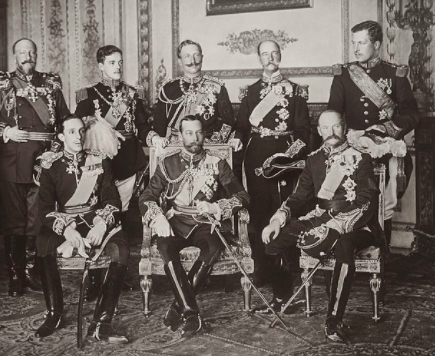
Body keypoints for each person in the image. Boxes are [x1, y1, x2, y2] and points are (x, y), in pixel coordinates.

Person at [259, 110, 381, 342]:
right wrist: (277, 219)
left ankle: (333, 321)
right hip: (321, 218)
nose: (332, 133)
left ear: (344, 127)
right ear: (319, 131)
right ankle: (283, 297)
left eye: (336, 127)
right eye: (326, 128)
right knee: (273, 240)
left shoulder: (361, 158)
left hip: (358, 224)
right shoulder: (313, 160)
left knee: (344, 245)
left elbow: (367, 201)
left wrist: (336, 226)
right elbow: (298, 198)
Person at [139, 115, 250, 336]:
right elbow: (146, 197)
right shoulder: (167, 163)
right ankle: (191, 314)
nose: (195, 138)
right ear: (180, 135)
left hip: (204, 222)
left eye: (199, 132)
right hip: (175, 221)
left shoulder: (217, 162)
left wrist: (217, 207)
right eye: (189, 133)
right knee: (166, 249)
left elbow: (242, 196)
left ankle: (178, 307)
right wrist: (158, 217)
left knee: (213, 248)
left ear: (204, 133)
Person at [0, 38, 69, 297]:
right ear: (14, 56)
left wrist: (61, 143)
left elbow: (63, 118)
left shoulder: (50, 83)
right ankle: (15, 276)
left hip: (44, 158)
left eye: (31, 51)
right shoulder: (3, 83)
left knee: (37, 218)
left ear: (37, 54)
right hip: (11, 158)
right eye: (22, 52)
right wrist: (6, 130)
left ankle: (32, 270)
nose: (27, 56)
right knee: (13, 219)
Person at [33, 114, 129, 344]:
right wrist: (66, 230)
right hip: (66, 221)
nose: (78, 136)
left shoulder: (100, 160)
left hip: (95, 220)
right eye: (71, 132)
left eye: (81, 131)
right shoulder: (50, 166)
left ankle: (102, 322)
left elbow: (112, 200)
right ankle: (55, 313)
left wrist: (103, 224)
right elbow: (44, 209)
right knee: (42, 243)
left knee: (122, 248)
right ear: (61, 136)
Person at [328, 20, 419, 252]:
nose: (356, 48)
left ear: (376, 44)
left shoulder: (394, 74)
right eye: (354, 43)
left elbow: (411, 115)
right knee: (352, 203)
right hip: (354, 153)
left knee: (383, 207)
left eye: (362, 42)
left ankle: (382, 259)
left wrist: (384, 130)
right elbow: (334, 115)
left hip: (385, 151)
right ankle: (352, 256)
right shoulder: (343, 75)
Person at [74, 45, 150, 298]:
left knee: (122, 217)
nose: (118, 67)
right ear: (100, 65)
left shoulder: (132, 94)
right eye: (112, 62)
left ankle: (117, 271)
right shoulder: (88, 94)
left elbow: (141, 126)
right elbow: (77, 128)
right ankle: (95, 274)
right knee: (98, 216)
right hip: (101, 163)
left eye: (120, 62)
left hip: (128, 161)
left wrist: (152, 136)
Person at [234, 40, 311, 287]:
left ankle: (288, 266)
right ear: (259, 59)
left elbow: (303, 130)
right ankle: (261, 268)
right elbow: (242, 128)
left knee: (285, 208)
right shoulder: (249, 92)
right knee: (258, 212)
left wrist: (288, 157)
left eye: (274, 53)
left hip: (285, 157)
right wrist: (236, 138)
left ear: (280, 56)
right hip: (256, 157)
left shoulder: (296, 91)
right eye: (265, 54)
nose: (270, 58)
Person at [148, 40, 237, 148]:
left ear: (202, 58)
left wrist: (215, 144)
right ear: (180, 61)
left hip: (206, 146)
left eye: (196, 55)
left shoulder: (217, 88)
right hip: (174, 147)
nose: (193, 61)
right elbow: (159, 126)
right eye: (187, 56)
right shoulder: (168, 89)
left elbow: (228, 122)